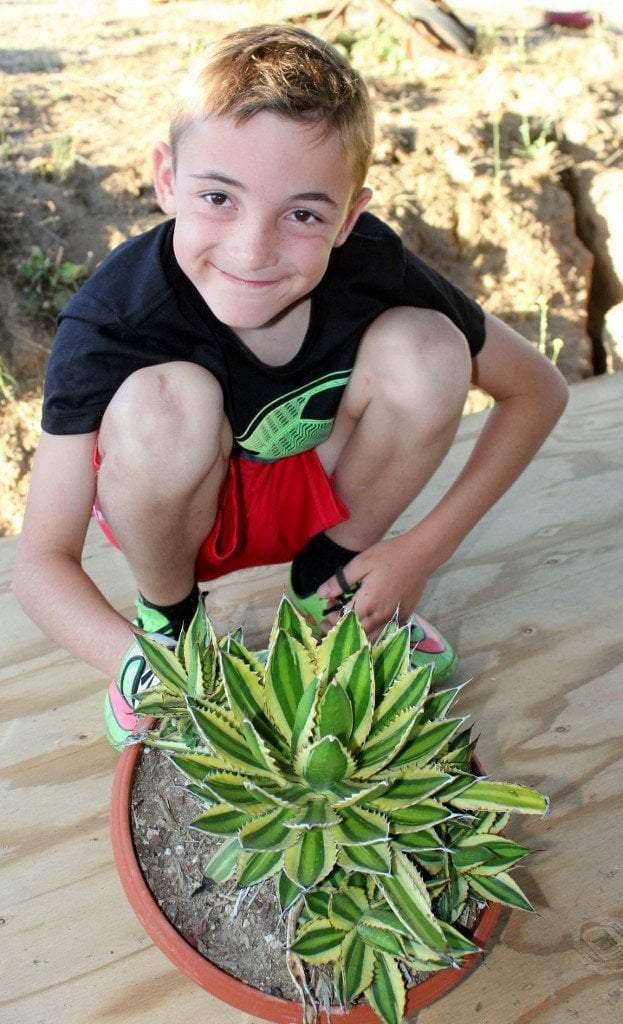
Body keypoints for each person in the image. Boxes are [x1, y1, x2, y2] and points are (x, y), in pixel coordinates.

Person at [13, 24, 569, 750]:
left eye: (303, 213)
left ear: (348, 219)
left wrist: (421, 550)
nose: (253, 249)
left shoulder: (371, 263)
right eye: (218, 197)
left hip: (320, 493)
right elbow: (40, 562)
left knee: (430, 347)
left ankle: (332, 586)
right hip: (178, 516)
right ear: (166, 179)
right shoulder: (114, 315)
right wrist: (138, 664)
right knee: (163, 403)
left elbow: (537, 390)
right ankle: (171, 624)